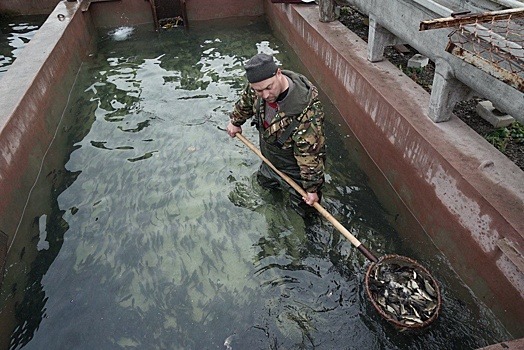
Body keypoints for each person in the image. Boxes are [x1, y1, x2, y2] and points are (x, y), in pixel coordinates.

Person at [226, 53, 326, 218]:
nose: (265, 95)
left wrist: (312, 188)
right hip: (269, 161)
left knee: (306, 212)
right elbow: (246, 101)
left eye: (269, 88)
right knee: (266, 187)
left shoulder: (308, 112)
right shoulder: (257, 88)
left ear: (278, 73)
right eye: (259, 90)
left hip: (297, 172)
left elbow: (309, 154)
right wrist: (235, 122)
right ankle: (274, 213)